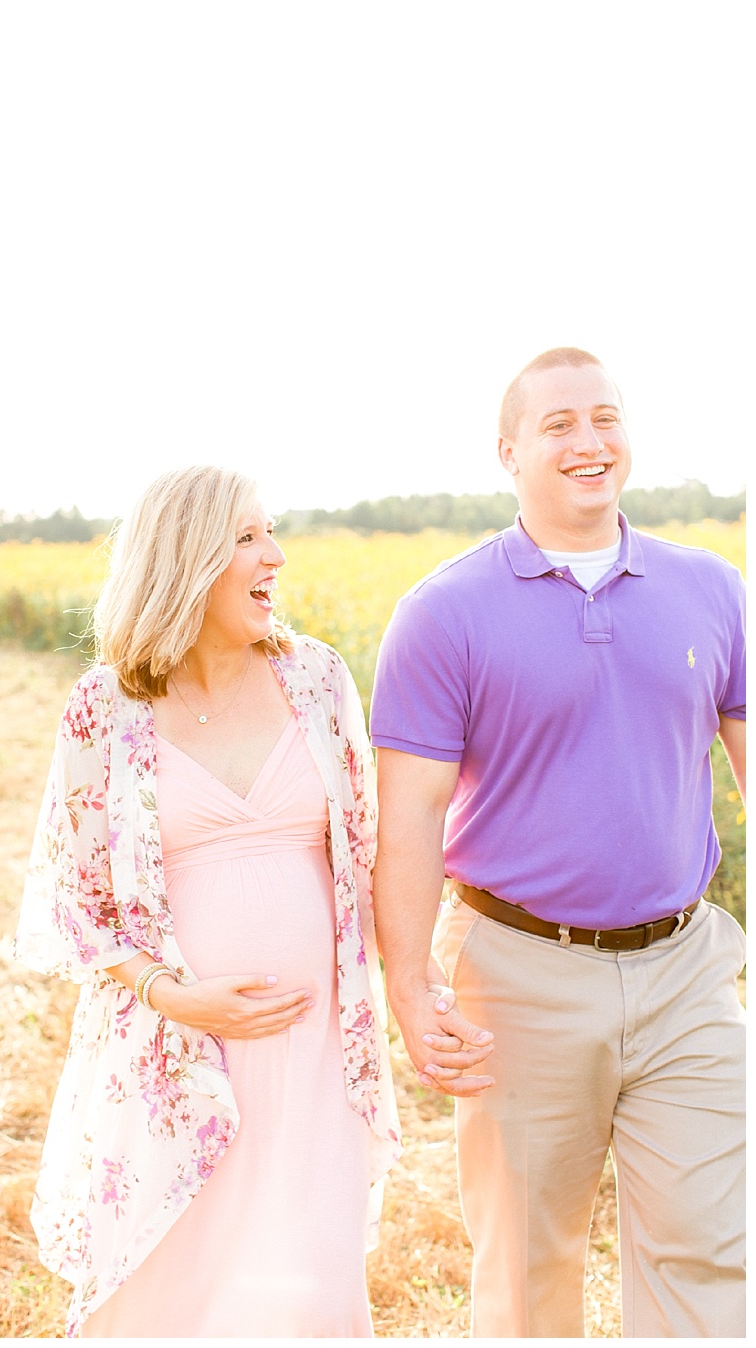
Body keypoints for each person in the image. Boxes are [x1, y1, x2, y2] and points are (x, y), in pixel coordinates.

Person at [371, 347, 747, 1337]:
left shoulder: (712, 587)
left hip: (688, 973)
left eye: (606, 417)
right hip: (521, 976)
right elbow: (406, 820)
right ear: (509, 452)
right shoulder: (442, 613)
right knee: (530, 1273)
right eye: (559, 424)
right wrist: (409, 988)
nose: (590, 441)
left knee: (712, 1247)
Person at [14, 465, 402, 1337]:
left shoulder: (316, 680)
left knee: (307, 1291)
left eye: (271, 532)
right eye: (247, 538)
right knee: (175, 1295)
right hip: (175, 1057)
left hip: (315, 1048)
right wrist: (171, 994)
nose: (277, 555)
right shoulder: (104, 708)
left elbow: (369, 853)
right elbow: (73, 899)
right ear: (186, 558)